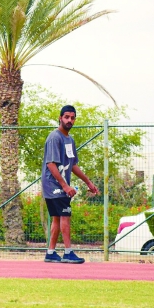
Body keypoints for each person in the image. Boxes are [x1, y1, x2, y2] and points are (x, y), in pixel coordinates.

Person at [42, 105, 99, 263]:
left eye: (72, 118)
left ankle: (50, 252)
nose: (69, 120)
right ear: (60, 118)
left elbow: (73, 165)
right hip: (53, 185)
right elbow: (51, 164)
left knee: (57, 218)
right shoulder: (54, 137)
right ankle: (68, 252)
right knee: (65, 215)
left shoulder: (70, 140)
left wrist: (88, 182)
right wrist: (65, 186)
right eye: (66, 117)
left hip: (59, 185)